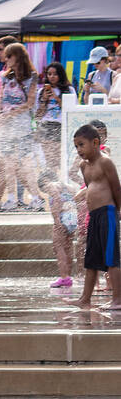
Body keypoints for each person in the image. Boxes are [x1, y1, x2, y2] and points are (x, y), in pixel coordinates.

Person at [70, 124, 121, 309]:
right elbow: (90, 188)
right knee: (90, 259)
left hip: (108, 213)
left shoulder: (105, 162)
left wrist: (118, 210)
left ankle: (118, 300)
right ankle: (85, 299)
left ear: (95, 143)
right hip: (94, 215)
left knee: (111, 259)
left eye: (82, 145)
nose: (79, 150)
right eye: (76, 146)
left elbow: (116, 187)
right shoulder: (84, 166)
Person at [0, 42, 42, 211]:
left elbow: (30, 103)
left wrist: (10, 113)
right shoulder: (5, 76)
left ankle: (35, 198)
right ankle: (11, 198)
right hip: (6, 126)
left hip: (22, 126)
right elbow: (0, 99)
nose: (6, 59)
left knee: (26, 163)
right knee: (8, 164)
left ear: (18, 57)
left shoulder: (32, 77)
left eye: (9, 55)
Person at [39, 169, 76, 288]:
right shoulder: (64, 184)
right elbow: (74, 194)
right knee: (68, 246)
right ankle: (68, 276)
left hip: (62, 217)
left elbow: (57, 199)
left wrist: (57, 221)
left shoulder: (51, 185)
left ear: (46, 180)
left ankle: (64, 277)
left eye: (43, 186)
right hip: (72, 216)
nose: (45, 189)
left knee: (58, 247)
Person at [36, 61, 74, 170]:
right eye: (49, 74)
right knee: (49, 160)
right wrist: (44, 100)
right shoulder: (41, 92)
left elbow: (71, 109)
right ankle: (53, 183)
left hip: (61, 126)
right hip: (46, 126)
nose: (52, 77)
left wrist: (56, 97)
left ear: (61, 75)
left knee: (59, 159)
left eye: (55, 74)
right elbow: (38, 115)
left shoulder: (69, 90)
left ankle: (60, 182)